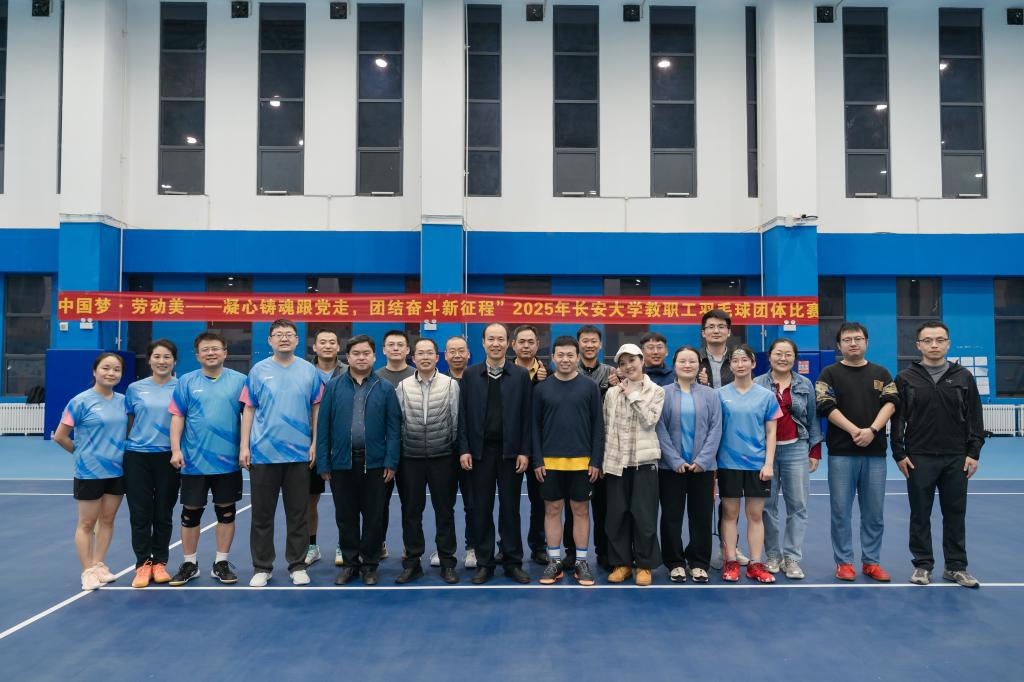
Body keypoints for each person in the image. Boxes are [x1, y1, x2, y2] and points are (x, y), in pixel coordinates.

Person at [892, 321, 984, 588]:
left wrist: (973, 452)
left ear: (948, 344)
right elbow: (898, 419)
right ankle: (922, 565)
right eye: (928, 340)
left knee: (955, 514)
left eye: (940, 340)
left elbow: (974, 416)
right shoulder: (905, 378)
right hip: (918, 457)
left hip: (956, 457)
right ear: (918, 345)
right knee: (920, 514)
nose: (934, 345)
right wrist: (899, 453)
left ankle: (956, 567)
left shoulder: (964, 376)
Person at [241, 319, 324, 587]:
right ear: (270, 340)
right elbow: (249, 409)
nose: (284, 338)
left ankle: (297, 565)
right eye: (278, 334)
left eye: (289, 334)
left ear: (297, 340)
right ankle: (262, 567)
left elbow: (317, 408)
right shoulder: (258, 370)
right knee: (262, 515)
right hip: (263, 454)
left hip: (298, 455)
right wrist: (244, 446)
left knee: (298, 514)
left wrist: (315, 443)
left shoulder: (309, 371)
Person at [816, 322, 899, 582]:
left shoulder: (881, 372)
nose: (853, 343)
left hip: (875, 454)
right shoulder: (829, 373)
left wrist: (872, 430)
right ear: (839, 345)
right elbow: (825, 405)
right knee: (841, 511)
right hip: (841, 454)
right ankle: (844, 563)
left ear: (866, 342)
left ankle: (871, 562)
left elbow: (891, 403)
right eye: (847, 339)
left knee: (874, 512)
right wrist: (855, 431)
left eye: (858, 339)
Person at [316, 335, 402, 586]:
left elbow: (394, 429)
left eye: (366, 353)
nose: (361, 357)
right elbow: (323, 427)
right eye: (356, 353)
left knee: (374, 517)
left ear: (374, 357)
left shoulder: (385, 388)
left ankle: (370, 565)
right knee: (346, 517)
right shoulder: (333, 387)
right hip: (342, 464)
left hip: (376, 464)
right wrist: (324, 462)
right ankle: (351, 564)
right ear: (348, 357)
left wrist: (391, 462)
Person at [167, 332, 247, 586]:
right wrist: (176, 449)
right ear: (197, 355)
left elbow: (249, 417)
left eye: (215, 348)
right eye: (205, 349)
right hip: (193, 462)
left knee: (226, 512)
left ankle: (221, 563)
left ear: (225, 353)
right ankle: (189, 563)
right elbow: (178, 416)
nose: (211, 353)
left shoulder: (240, 381)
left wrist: (246, 448)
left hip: (228, 461)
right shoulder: (186, 382)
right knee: (190, 514)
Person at [457, 322, 532, 585]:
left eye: (500, 339)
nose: (496, 344)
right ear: (483, 343)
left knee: (511, 509)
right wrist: (464, 448)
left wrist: (524, 451)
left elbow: (527, 417)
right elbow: (462, 416)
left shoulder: (520, 376)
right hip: (480, 453)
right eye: (491, 339)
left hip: (511, 453)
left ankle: (512, 562)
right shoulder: (470, 375)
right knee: (481, 509)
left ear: (508, 343)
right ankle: (485, 563)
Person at [532, 336, 604, 586]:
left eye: (570, 355)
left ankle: (581, 562)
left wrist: (596, 460)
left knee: (581, 511)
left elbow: (598, 426)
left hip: (582, 463)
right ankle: (554, 561)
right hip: (549, 463)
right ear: (553, 357)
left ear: (577, 357)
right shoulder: (541, 389)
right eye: (560, 355)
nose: (565, 359)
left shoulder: (590, 387)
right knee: (552, 510)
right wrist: (537, 460)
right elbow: (534, 427)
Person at [53, 352, 128, 591]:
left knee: (107, 520)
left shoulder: (123, 401)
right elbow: (60, 436)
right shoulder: (80, 401)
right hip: (89, 472)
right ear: (95, 371)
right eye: (106, 368)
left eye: (116, 369)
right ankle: (87, 571)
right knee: (86, 523)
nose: (111, 373)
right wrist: (81, 454)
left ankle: (99, 564)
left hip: (117, 471)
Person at [753, 338, 822, 580]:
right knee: (767, 506)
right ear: (769, 356)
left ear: (795, 358)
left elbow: (813, 419)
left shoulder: (805, 384)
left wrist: (815, 451)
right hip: (765, 453)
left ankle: (792, 557)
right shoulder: (757, 384)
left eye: (788, 354)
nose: (783, 358)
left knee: (798, 506)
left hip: (796, 449)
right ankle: (773, 555)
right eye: (778, 354)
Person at [395, 338, 461, 584]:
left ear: (437, 357)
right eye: (420, 353)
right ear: (413, 358)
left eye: (429, 353)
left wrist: (449, 448)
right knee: (411, 512)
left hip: (442, 458)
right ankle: (412, 563)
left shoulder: (450, 384)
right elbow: (399, 421)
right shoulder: (402, 386)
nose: (424, 357)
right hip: (410, 459)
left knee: (445, 512)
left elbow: (455, 420)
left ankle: (447, 562)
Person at [655, 345, 722, 584]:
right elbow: (659, 428)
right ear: (674, 364)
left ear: (699, 365)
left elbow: (716, 429)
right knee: (671, 516)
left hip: (703, 469)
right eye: (682, 361)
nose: (687, 365)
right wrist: (674, 460)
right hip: (670, 468)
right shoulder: (663, 393)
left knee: (701, 517)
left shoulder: (710, 394)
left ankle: (699, 562)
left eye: (692, 361)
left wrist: (703, 461)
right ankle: (674, 562)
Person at [716, 345, 780, 584]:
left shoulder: (766, 396)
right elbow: (715, 430)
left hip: (756, 465)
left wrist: (768, 463)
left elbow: (771, 433)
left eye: (745, 360)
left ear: (753, 364)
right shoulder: (719, 395)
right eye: (735, 360)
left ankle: (755, 563)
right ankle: (731, 561)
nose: (740, 364)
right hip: (727, 463)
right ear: (730, 365)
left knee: (755, 514)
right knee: (729, 513)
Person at [603, 343, 665, 586]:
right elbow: (606, 427)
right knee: (617, 517)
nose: (628, 366)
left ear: (642, 361)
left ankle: (644, 566)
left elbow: (650, 420)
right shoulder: (611, 393)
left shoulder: (656, 391)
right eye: (623, 363)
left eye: (632, 360)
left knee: (644, 517)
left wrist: (631, 394)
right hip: (616, 464)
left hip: (644, 464)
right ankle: (622, 564)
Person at [123, 340, 180, 588]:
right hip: (137, 456)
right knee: (140, 513)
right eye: (157, 356)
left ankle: (160, 563)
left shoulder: (182, 387)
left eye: (167, 357)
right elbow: (129, 421)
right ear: (149, 360)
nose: (162, 361)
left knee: (163, 513)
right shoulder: (135, 389)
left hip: (169, 457)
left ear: (174, 361)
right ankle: (143, 564)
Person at [696, 309, 749, 569]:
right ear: (703, 332)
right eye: (711, 327)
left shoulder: (739, 360)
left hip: (732, 439)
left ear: (729, 331)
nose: (716, 331)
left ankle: (729, 547)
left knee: (730, 498)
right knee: (703, 499)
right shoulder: (693, 360)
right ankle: (701, 548)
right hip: (701, 439)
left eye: (721, 326)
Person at [576, 325, 618, 570]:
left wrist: (616, 385)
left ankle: (604, 552)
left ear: (600, 345)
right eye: (585, 341)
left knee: (604, 507)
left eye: (594, 341)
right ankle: (572, 553)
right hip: (575, 448)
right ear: (579, 344)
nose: (589, 345)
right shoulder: (569, 371)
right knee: (574, 507)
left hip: (604, 448)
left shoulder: (612, 373)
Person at [306, 329, 348, 569]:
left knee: (345, 501)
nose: (328, 346)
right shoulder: (304, 372)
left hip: (342, 445)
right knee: (309, 500)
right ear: (315, 347)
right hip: (310, 445)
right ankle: (311, 546)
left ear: (338, 347)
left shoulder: (349, 370)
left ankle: (344, 544)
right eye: (322, 342)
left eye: (332, 342)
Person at [376, 329, 416, 560]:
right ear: (384, 350)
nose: (395, 348)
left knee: (410, 505)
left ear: (408, 350)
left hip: (411, 452)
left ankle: (410, 547)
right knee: (379, 504)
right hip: (382, 453)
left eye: (400, 345)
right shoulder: (375, 377)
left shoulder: (416, 375)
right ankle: (378, 544)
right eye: (391, 345)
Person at [512, 324, 550, 566]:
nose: (526, 346)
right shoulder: (503, 372)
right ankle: (508, 548)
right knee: (509, 503)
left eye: (530, 342)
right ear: (513, 345)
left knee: (540, 502)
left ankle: (539, 547)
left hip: (540, 448)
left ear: (537, 345)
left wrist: (540, 383)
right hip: (511, 447)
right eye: (522, 342)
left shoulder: (550, 375)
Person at [444, 335, 477, 569]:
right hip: (443, 453)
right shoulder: (439, 381)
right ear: (445, 356)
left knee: (472, 504)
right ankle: (444, 549)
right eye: (452, 351)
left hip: (471, 454)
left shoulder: (477, 380)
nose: (457, 355)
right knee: (444, 505)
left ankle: (472, 547)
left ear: (468, 354)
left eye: (461, 351)